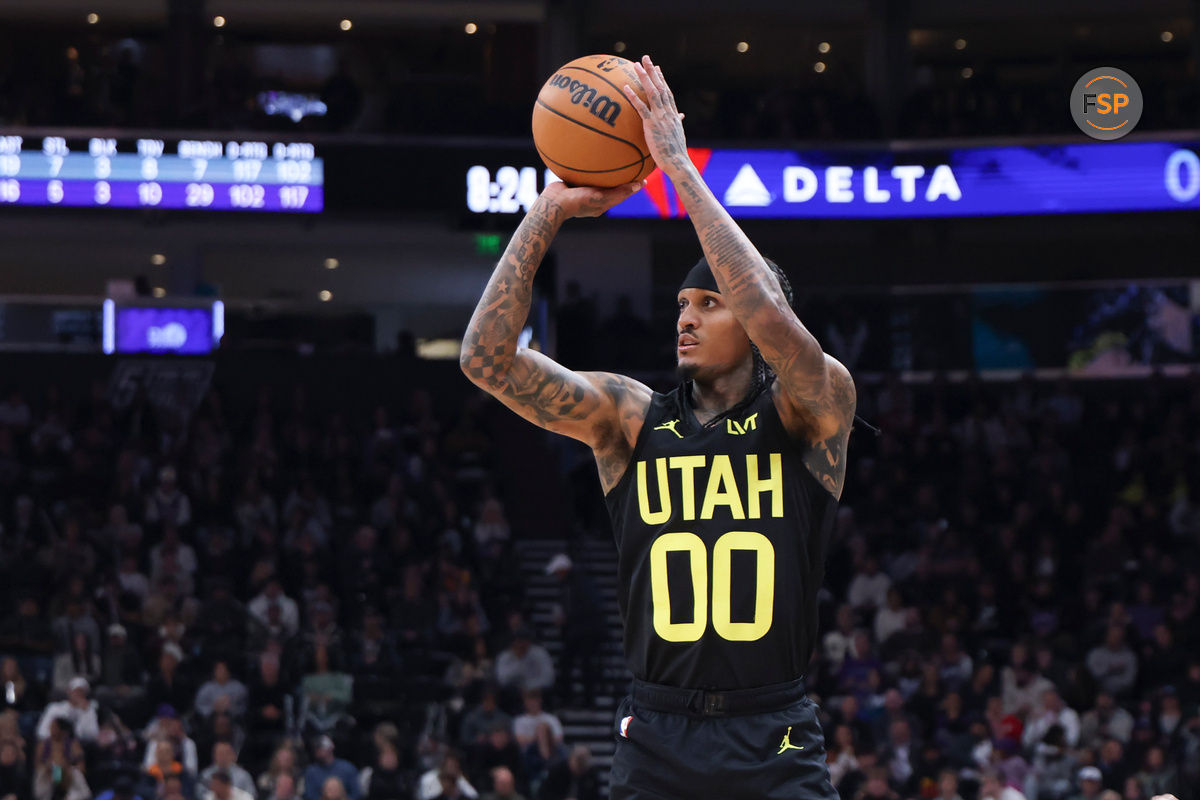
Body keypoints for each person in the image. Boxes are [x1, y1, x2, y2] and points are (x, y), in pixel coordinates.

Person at [461, 54, 855, 800]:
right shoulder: (629, 418)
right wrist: (545, 211)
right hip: (658, 734)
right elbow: (486, 360)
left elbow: (770, 312)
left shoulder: (813, 407)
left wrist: (676, 164)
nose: (686, 316)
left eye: (708, 302)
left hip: (772, 733)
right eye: (681, 305)